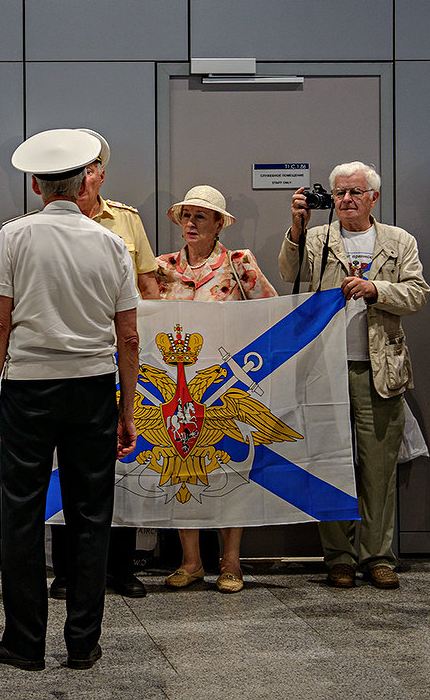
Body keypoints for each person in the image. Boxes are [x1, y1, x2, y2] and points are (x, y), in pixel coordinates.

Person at [0, 128, 139, 672]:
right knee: (91, 516)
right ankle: (82, 643)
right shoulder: (111, 243)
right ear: (82, 183)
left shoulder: (14, 237)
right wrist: (127, 408)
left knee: (22, 514)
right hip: (93, 387)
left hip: (27, 387)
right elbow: (130, 336)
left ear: (35, 185)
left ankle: (25, 643)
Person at [279, 161, 429, 590]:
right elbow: (290, 276)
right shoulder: (316, 237)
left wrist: (376, 290)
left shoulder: (399, 241)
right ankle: (338, 558)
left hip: (380, 370)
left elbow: (418, 293)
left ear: (373, 198)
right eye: (340, 192)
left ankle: (378, 556)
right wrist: (295, 229)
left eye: (355, 193)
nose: (346, 199)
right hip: (325, 370)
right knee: (330, 465)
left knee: (379, 469)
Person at [51, 128, 157, 601]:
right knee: (65, 470)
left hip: (121, 358)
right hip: (68, 359)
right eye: (81, 168)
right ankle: (66, 568)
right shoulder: (43, 222)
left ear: (101, 174)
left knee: (117, 468)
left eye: (94, 168)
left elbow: (149, 289)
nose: (88, 176)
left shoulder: (127, 223)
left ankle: (119, 567)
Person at [155, 185, 277, 593]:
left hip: (225, 383)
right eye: (186, 215)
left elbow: (270, 313)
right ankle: (191, 561)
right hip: (178, 384)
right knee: (182, 465)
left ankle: (230, 561)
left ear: (219, 224)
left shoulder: (239, 263)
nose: (190, 223)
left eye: (200, 217)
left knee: (229, 466)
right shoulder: (162, 267)